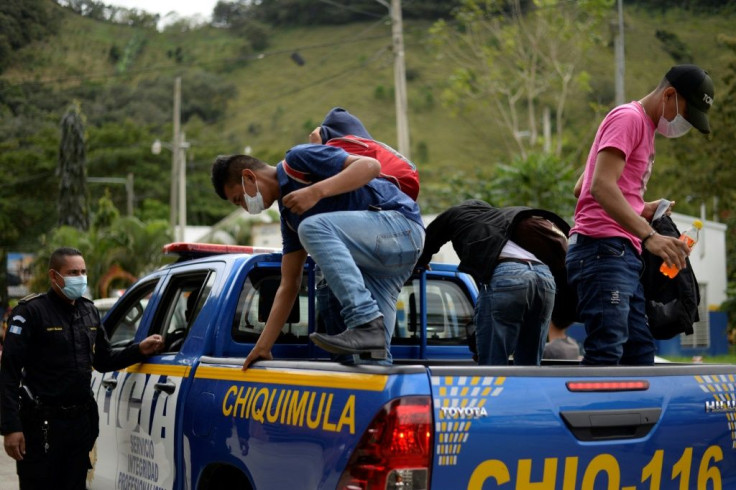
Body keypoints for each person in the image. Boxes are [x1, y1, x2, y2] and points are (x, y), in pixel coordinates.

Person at [210, 144, 424, 368]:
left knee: (311, 227)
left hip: (401, 227)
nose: (246, 208)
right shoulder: (290, 219)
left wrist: (315, 191)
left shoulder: (297, 161)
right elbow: (289, 285)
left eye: (239, 199)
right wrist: (263, 346)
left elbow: (370, 166)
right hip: (386, 265)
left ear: (249, 177)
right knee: (371, 358)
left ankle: (364, 320)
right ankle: (379, 375)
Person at [568, 64, 714, 366]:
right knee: (607, 351)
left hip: (619, 253)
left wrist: (643, 208)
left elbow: (581, 186)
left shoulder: (643, 127)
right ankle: (588, 413)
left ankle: (629, 414)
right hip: (602, 251)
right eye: (686, 116)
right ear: (669, 95)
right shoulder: (629, 118)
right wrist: (650, 235)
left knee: (639, 352)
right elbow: (600, 186)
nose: (682, 125)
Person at [0, 247, 164, 490]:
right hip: (42, 426)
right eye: (73, 272)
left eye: (83, 271)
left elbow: (104, 360)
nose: (80, 278)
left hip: (79, 425)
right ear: (54, 276)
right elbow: (9, 374)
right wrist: (11, 428)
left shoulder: (89, 311)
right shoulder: (31, 312)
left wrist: (139, 349)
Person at [415, 200, 571, 366]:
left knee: (493, 364)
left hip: (510, 273)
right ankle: (526, 391)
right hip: (545, 278)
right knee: (530, 364)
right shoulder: (505, 222)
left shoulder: (457, 214)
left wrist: (420, 261)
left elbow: (428, 238)